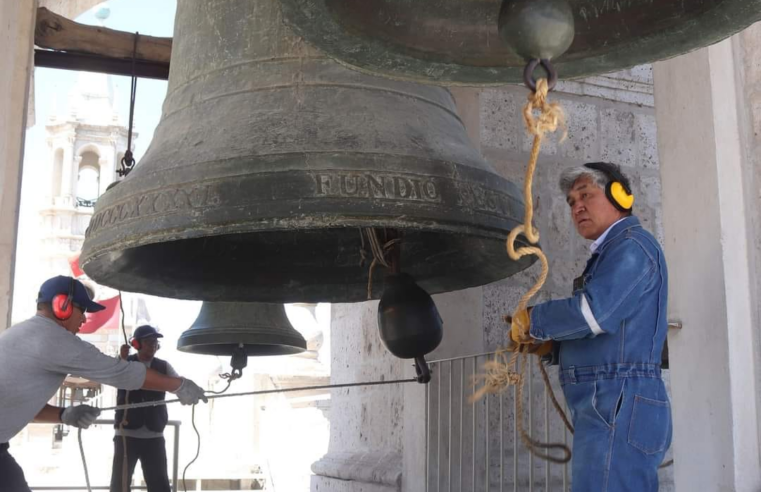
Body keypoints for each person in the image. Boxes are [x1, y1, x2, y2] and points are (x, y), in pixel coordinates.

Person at [510, 162, 672, 492]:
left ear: (620, 196)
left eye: (586, 195)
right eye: (571, 201)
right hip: (614, 403)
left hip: (619, 402)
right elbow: (613, 329)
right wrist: (554, 347)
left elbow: (596, 314)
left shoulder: (632, 248)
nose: (577, 206)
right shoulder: (613, 252)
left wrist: (534, 320)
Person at [0, 276, 208, 492]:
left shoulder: (22, 335)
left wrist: (62, 414)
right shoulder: (52, 338)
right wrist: (180, 385)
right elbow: (121, 373)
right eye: (82, 310)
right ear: (62, 306)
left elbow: (20, 406)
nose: (84, 319)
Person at [110, 325, 177, 492]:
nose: (153, 345)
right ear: (136, 344)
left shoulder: (164, 366)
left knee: (159, 484)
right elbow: (114, 378)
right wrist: (122, 360)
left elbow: (177, 384)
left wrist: (188, 391)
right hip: (126, 435)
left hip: (154, 435)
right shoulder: (124, 363)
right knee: (120, 484)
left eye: (155, 342)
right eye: (148, 342)